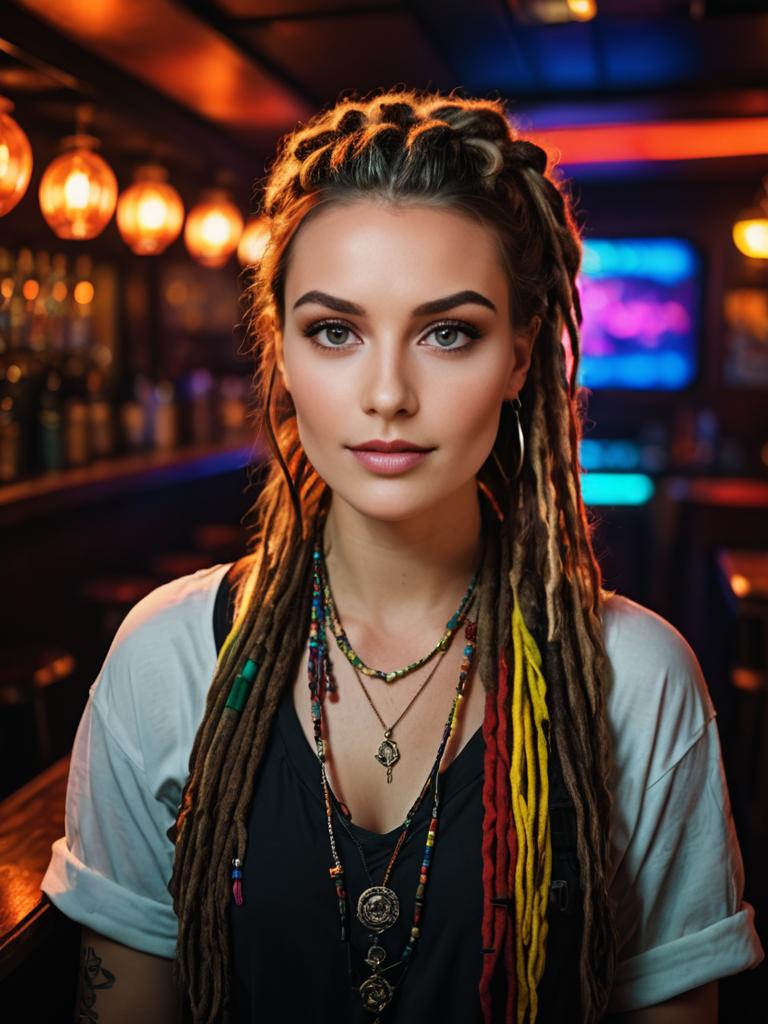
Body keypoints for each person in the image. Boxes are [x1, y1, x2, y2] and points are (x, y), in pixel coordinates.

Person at [41, 87, 763, 1024]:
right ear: (284, 354)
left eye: (448, 333)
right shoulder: (167, 657)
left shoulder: (637, 679)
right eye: (335, 331)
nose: (387, 392)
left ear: (519, 355)